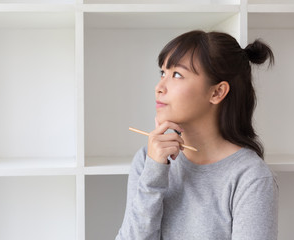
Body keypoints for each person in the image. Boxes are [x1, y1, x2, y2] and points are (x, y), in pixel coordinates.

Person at [115, 30, 278, 240]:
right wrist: (155, 172)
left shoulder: (250, 177)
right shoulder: (149, 159)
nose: (159, 87)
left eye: (176, 75)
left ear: (217, 92)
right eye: (162, 73)